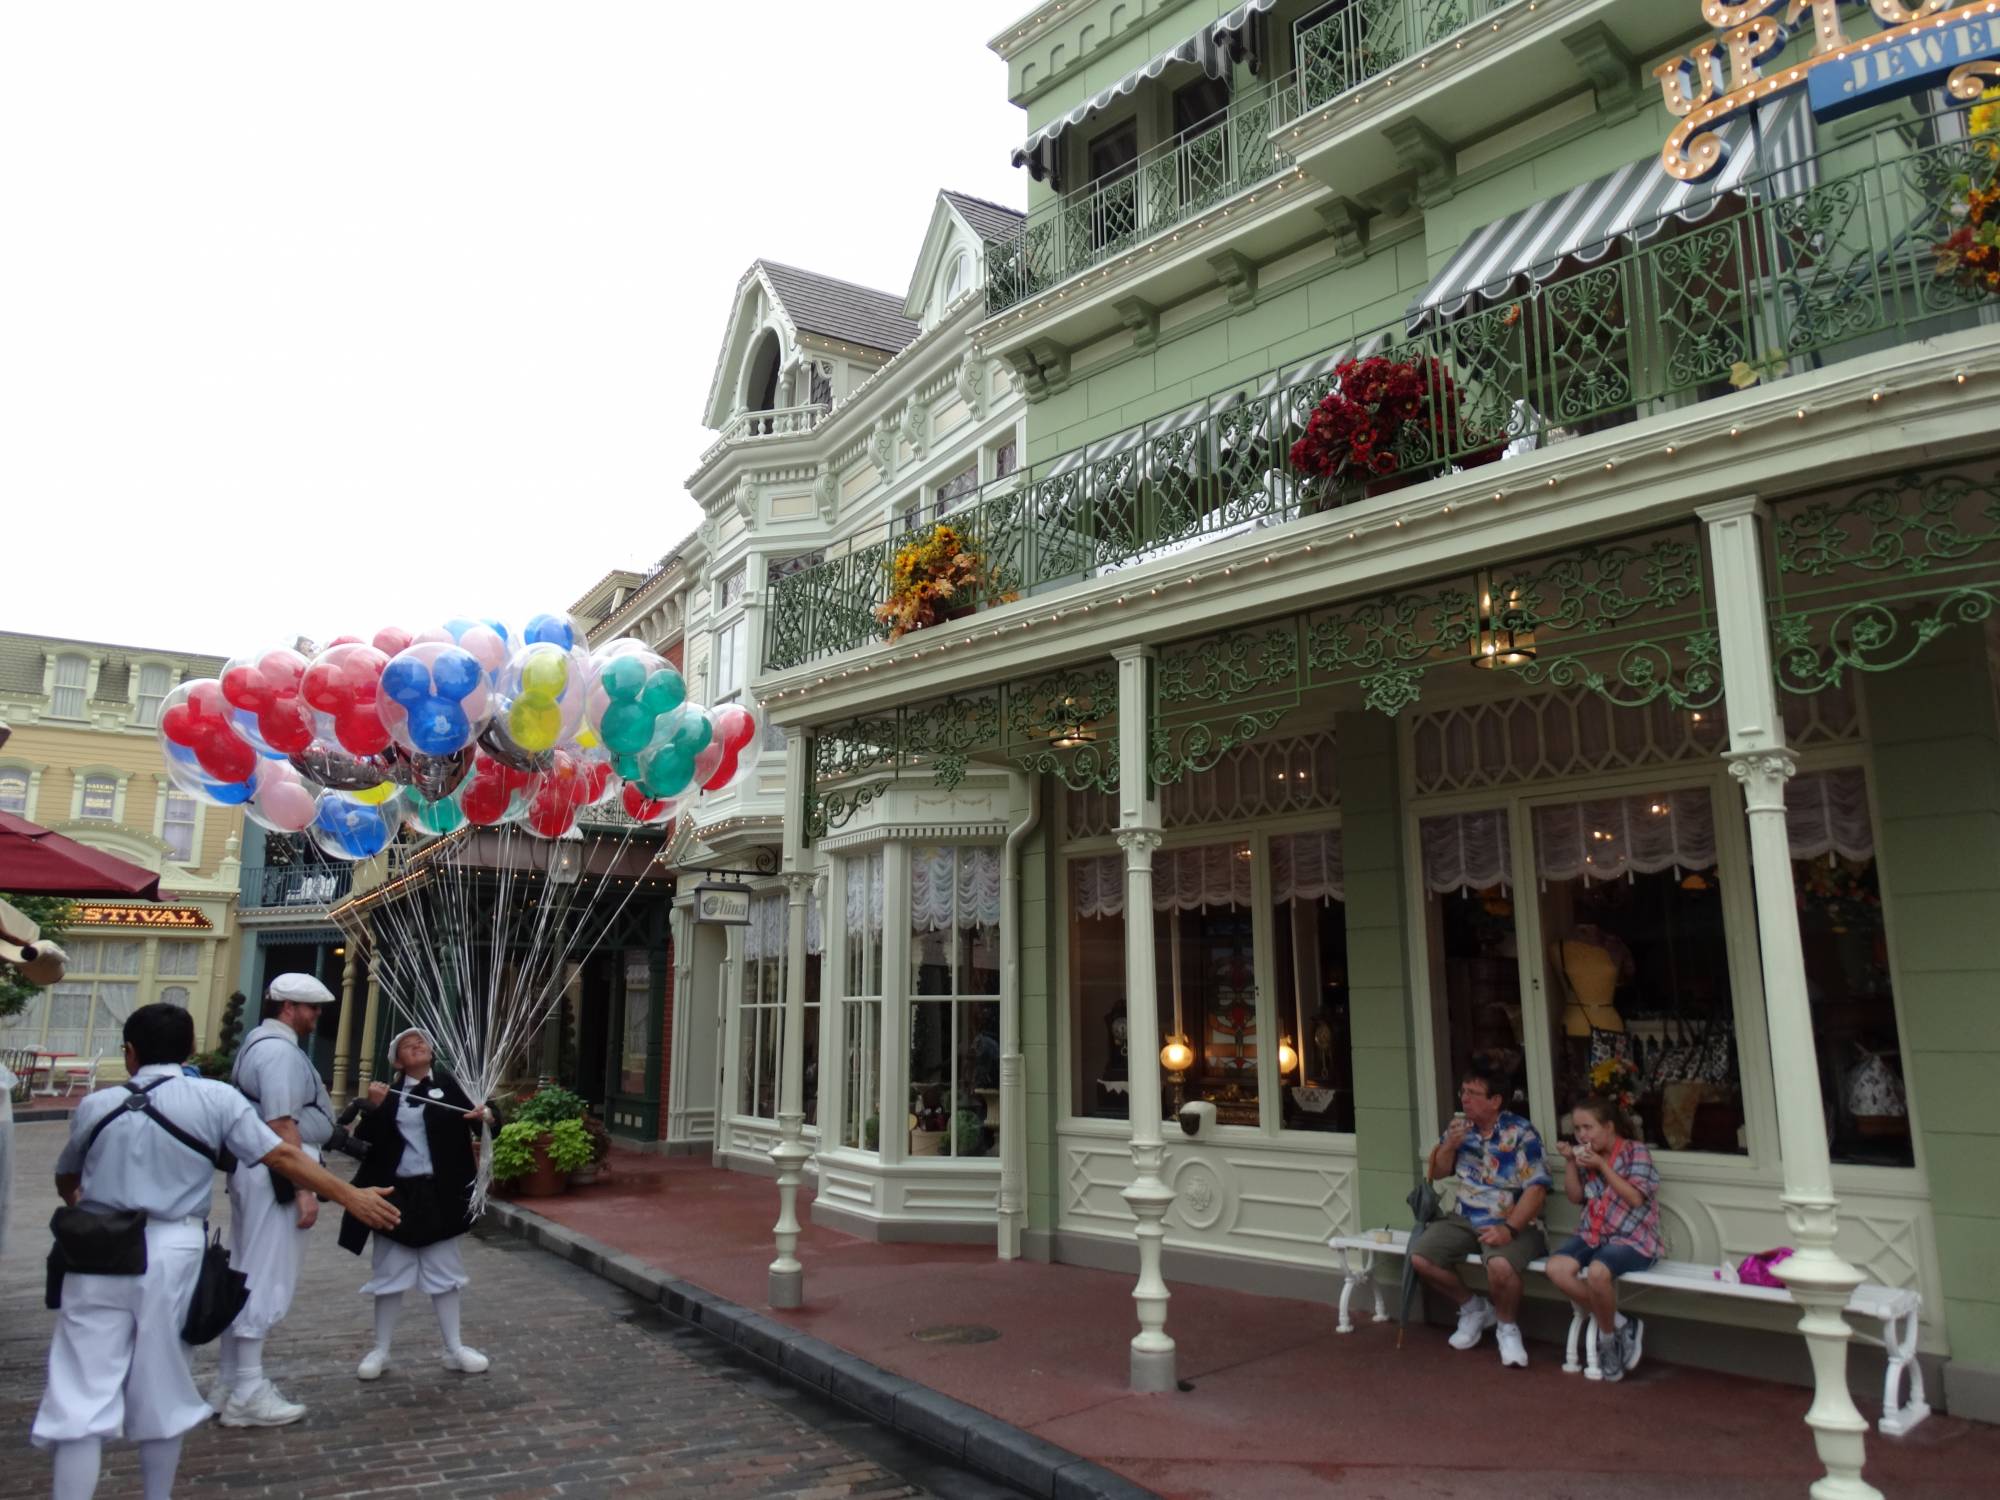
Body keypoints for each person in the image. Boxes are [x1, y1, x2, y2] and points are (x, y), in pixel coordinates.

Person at [31, 1002, 398, 1500]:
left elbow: (67, 1176)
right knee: (162, 1385)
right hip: (171, 1245)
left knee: (79, 1392)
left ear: (130, 1053)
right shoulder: (214, 1098)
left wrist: (85, 1204)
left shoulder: (97, 1104)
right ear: (189, 1050)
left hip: (96, 1250)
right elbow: (282, 1154)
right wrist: (349, 1194)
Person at [211, 972, 337, 1427]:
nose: (316, 1015)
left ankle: (228, 1382)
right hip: (277, 1172)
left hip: (261, 1169)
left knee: (247, 1269)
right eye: (311, 1008)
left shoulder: (259, 1044)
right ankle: (247, 1389)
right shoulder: (279, 1052)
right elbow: (283, 1125)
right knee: (266, 1274)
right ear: (288, 1008)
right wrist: (305, 1188)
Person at [339, 1027, 495, 1380]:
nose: (417, 1046)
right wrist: (376, 1109)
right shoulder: (388, 1094)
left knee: (445, 1273)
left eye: (421, 1042)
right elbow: (364, 1142)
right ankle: (381, 1349)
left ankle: (454, 1348)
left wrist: (486, 1116)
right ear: (397, 1060)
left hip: (439, 1193)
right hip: (398, 1193)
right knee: (390, 1272)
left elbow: (486, 1115)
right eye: (408, 1045)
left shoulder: (451, 1085)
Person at [1409, 1061, 1552, 1368]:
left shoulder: (1520, 1133)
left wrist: (1510, 1230)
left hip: (1512, 1219)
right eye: (1463, 1092)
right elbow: (1436, 1172)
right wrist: (1449, 1145)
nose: (1464, 1098)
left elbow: (1536, 1190)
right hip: (1464, 1216)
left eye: (1473, 1093)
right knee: (1421, 1257)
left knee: (1500, 1266)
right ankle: (1474, 1308)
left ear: (1495, 1100)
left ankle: (1507, 1327)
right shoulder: (1460, 1130)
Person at [1546, 1093, 1662, 1382]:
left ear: (1609, 1127)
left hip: (1632, 1238)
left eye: (1588, 1128)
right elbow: (1575, 1197)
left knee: (1598, 1273)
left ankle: (1608, 1340)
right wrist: (1570, 1162)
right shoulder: (1586, 1157)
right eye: (1577, 1129)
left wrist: (1602, 1166)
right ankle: (1622, 1322)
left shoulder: (1636, 1153)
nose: (1582, 1135)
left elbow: (1635, 1198)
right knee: (1556, 1268)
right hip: (1592, 1234)